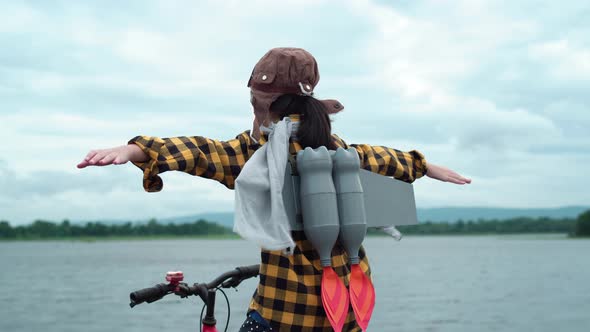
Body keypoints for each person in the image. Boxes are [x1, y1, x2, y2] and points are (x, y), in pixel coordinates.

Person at [78, 47, 471, 332]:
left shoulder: (260, 159)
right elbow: (386, 158)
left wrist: (137, 149)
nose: (253, 114)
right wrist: (425, 165)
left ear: (275, 103)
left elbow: (203, 152)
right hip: (346, 314)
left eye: (257, 103)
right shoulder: (341, 151)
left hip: (283, 317)